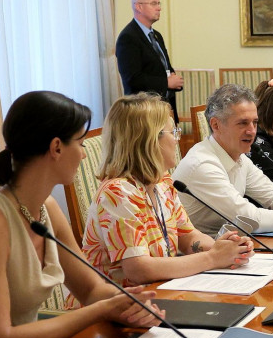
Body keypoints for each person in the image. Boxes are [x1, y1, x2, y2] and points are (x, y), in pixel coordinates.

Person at [0, 91, 161, 338]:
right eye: (79, 143)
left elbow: (91, 288)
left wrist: (129, 305)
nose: (83, 153)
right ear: (56, 147)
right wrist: (101, 310)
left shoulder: (46, 208)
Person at [83, 93, 254, 286]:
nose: (176, 140)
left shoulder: (162, 182)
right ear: (148, 140)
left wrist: (225, 249)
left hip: (159, 292)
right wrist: (213, 258)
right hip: (112, 305)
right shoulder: (117, 192)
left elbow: (187, 236)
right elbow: (138, 269)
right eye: (173, 133)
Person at [172, 83, 273, 236]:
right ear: (216, 125)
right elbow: (248, 218)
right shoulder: (203, 164)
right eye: (243, 123)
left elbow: (272, 194)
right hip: (199, 254)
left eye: (255, 123)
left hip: (228, 245)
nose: (252, 131)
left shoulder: (238, 156)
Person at [116, 0, 183, 120]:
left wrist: (173, 78)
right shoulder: (128, 37)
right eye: (154, 3)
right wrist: (166, 82)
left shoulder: (156, 35)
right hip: (144, 114)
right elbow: (132, 79)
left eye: (159, 3)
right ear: (138, 7)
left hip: (164, 109)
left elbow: (164, 67)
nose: (159, 8)